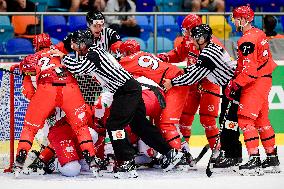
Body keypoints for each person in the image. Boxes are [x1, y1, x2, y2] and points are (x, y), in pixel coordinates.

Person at [50, 30, 184, 179]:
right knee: (139, 125)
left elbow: (78, 69)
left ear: (83, 43)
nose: (73, 47)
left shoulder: (93, 54)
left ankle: (126, 163)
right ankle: (169, 152)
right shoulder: (96, 52)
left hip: (126, 91)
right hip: (131, 88)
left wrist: (62, 57)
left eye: (75, 44)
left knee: (114, 125)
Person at [14, 33, 100, 177]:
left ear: (35, 46)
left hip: (46, 90)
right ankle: (91, 160)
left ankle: (20, 160)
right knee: (82, 128)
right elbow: (69, 44)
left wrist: (40, 103)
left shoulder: (29, 59)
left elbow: (27, 90)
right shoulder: (58, 49)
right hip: (70, 88)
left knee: (30, 128)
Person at [158, 14, 236, 161]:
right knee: (184, 119)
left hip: (210, 85)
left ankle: (218, 152)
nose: (186, 35)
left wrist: (174, 82)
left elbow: (202, 71)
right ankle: (183, 152)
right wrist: (165, 57)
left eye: (187, 31)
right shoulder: (188, 41)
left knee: (208, 120)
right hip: (192, 85)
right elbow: (178, 54)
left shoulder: (213, 46)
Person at [226, 6, 280, 175]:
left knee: (245, 120)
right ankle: (272, 159)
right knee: (262, 121)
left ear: (243, 20)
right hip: (265, 80)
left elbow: (249, 70)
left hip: (254, 83)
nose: (233, 21)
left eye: (235, 18)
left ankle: (254, 159)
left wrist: (235, 84)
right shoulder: (259, 34)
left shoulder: (246, 40)